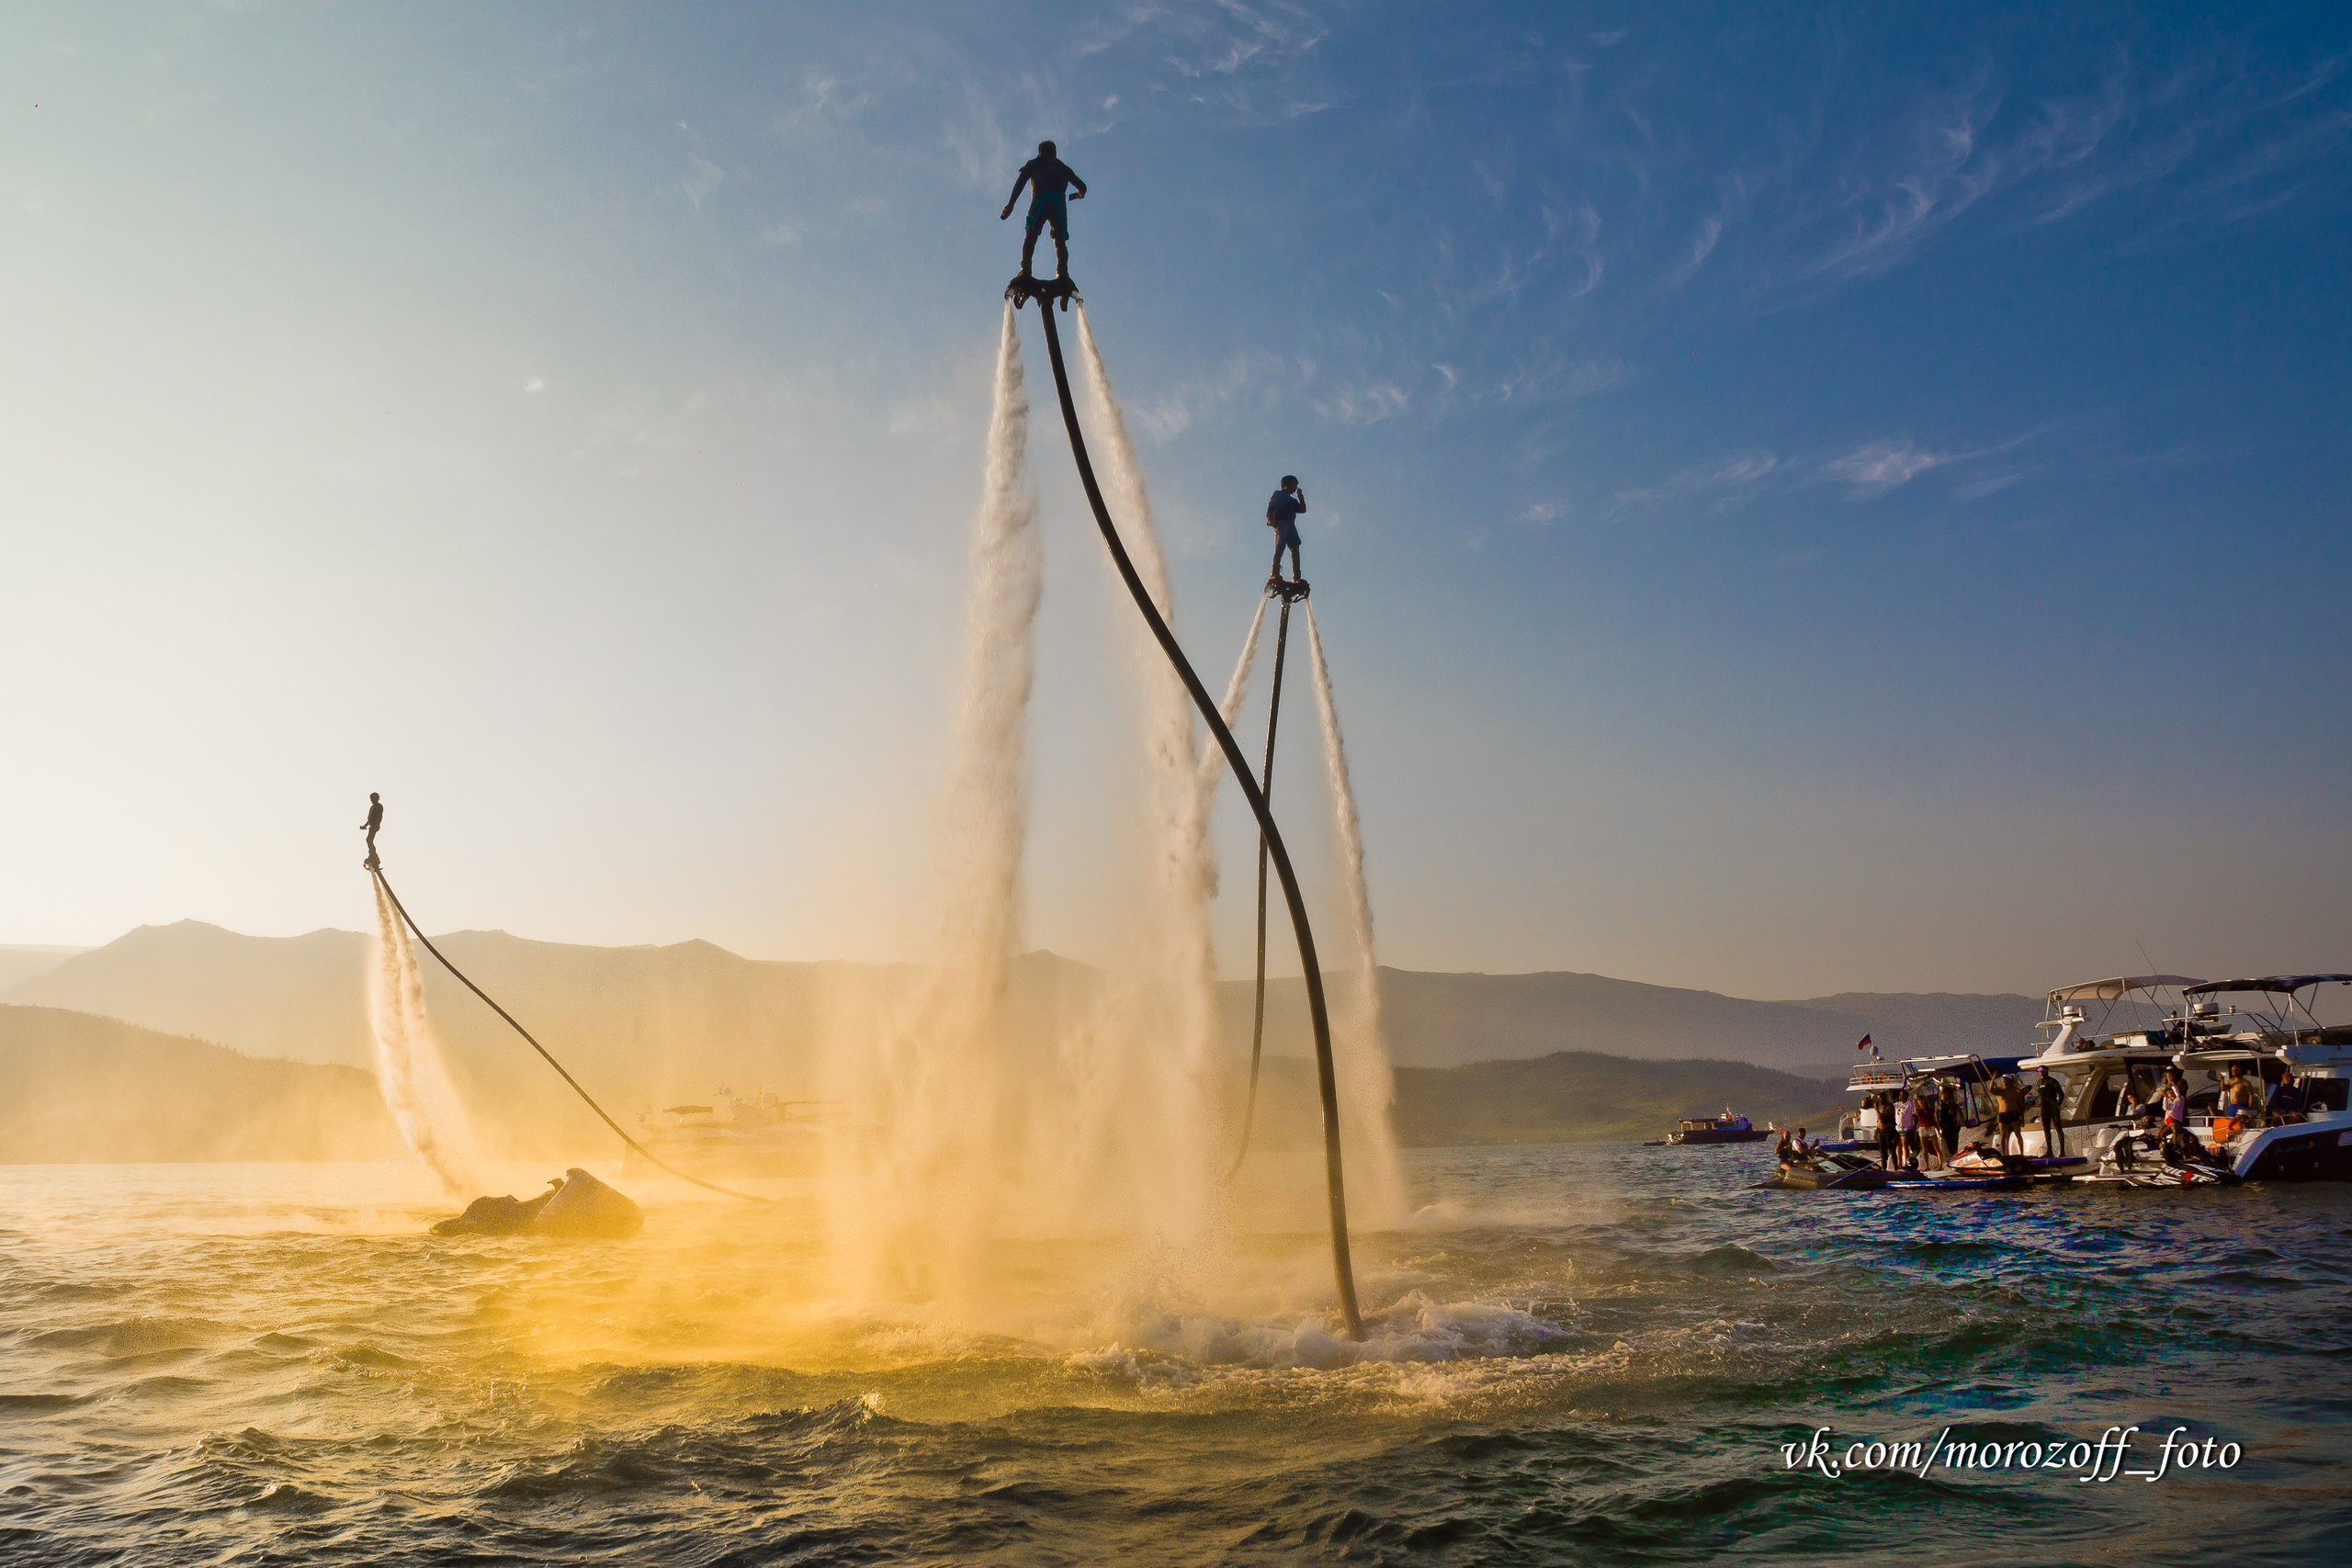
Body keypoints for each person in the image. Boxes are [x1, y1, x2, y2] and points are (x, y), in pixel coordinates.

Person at [1000, 140, 1087, 280]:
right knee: (1060, 241)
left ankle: (1025, 269)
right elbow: (1082, 187)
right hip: (1058, 204)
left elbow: (1021, 182)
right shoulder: (1062, 167)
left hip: (1040, 201)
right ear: (1055, 153)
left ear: (1039, 152)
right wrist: (1077, 195)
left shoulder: (1035, 163)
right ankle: (1062, 273)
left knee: (1031, 235)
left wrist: (1011, 204)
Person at [1266, 476, 1306, 585]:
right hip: (1281, 524)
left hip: (1290, 524)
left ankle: (1296, 577)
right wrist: (1270, 519)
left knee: (1295, 548)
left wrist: (1300, 496)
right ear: (1288, 484)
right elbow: (1271, 507)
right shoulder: (1278, 495)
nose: (1295, 487)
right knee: (1280, 547)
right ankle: (1274, 573)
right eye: (1294, 484)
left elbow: (1302, 509)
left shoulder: (1292, 500)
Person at [2035, 1068, 2066, 1157]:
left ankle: (2062, 1152)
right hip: (2044, 1108)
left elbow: (2061, 1094)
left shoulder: (2052, 1081)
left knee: (2058, 1128)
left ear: (2047, 1071)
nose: (2040, 1071)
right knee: (2046, 1129)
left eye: (2042, 1069)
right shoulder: (2039, 1082)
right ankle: (2049, 1151)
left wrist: (2058, 1105)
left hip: (2053, 1107)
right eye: (2039, 1070)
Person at [1894, 1093, 1919, 1169]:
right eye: (1899, 1095)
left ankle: (1906, 1162)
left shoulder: (1910, 1104)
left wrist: (1914, 1126)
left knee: (1905, 1144)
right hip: (1898, 1128)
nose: (1900, 1096)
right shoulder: (1896, 1105)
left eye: (1901, 1095)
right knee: (1898, 1145)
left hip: (1907, 1127)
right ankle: (1899, 1163)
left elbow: (1915, 1115)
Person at [361, 792, 384, 868]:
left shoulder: (379, 806)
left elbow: (380, 817)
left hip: (375, 826)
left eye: (372, 799)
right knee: (369, 840)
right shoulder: (372, 807)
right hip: (372, 826)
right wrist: (364, 826)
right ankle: (372, 855)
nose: (371, 800)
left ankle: (374, 856)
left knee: (369, 840)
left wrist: (377, 825)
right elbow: (369, 819)